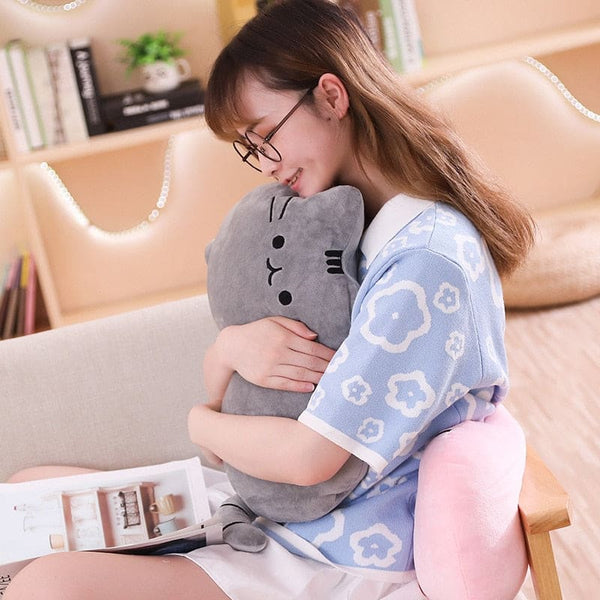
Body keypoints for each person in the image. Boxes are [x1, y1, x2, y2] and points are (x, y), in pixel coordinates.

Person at [5, 1, 535, 599]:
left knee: (49, 583)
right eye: (249, 148)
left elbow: (308, 460)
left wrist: (198, 421)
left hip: (330, 550)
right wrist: (232, 348)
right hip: (274, 512)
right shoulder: (344, 226)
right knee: (28, 494)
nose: (264, 165)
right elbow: (251, 401)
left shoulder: (425, 263)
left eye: (265, 136)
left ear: (331, 96)